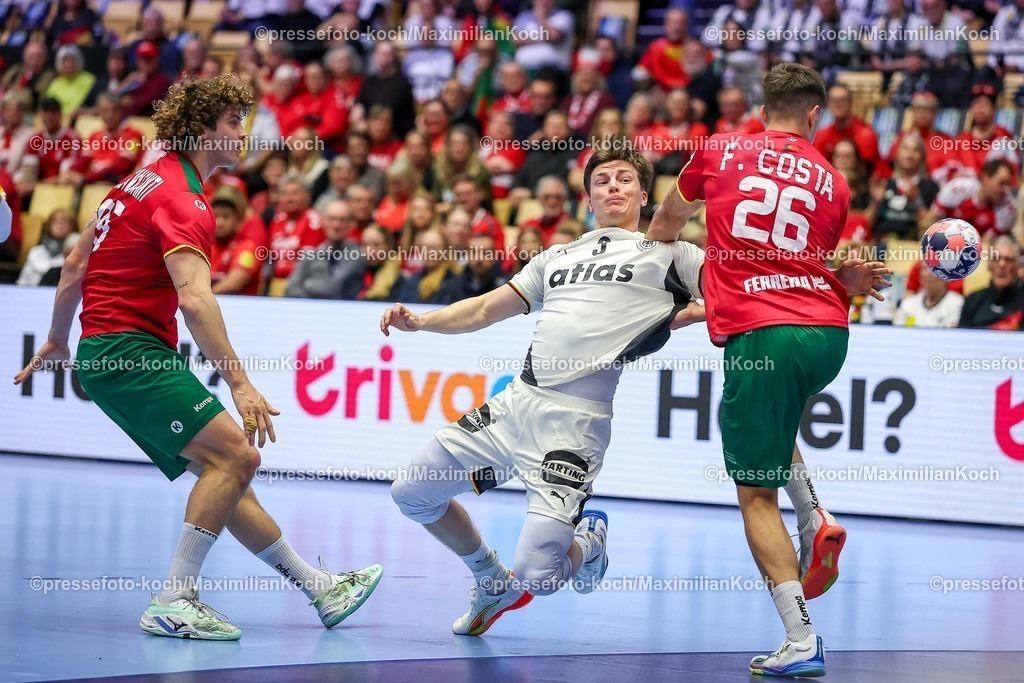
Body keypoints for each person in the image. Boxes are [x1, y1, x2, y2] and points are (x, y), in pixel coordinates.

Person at [14, 75, 382, 641]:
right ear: (198, 129)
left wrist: (62, 337)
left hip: (108, 350)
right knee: (238, 457)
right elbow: (194, 297)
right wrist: (240, 385)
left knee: (226, 474)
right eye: (234, 122)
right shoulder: (183, 200)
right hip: (128, 351)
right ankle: (175, 600)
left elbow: (73, 263)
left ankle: (319, 589)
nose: (244, 133)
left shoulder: (131, 185)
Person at [384, 142, 705, 636]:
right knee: (411, 494)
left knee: (541, 575)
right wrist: (421, 321)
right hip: (516, 406)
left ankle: (589, 543)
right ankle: (491, 578)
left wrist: (830, 282)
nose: (613, 186)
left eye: (624, 179)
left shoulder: (672, 254)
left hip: (574, 425)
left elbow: (740, 290)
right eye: (602, 181)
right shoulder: (557, 256)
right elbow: (485, 309)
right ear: (589, 199)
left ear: (645, 195)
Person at [647, 63, 891, 678]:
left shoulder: (719, 149)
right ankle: (814, 514)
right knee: (775, 426)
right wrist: (846, 282)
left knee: (755, 494)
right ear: (815, 116)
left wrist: (652, 270)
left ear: (763, 108)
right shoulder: (834, 181)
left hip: (764, 336)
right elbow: (802, 262)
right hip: (828, 333)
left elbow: (666, 225)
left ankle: (800, 637)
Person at [958, 236, 1024, 330]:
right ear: (989, 265)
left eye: (1008, 260)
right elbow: (961, 339)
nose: (1002, 265)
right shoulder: (973, 300)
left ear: (1018, 266)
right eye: (996, 259)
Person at [893, 262, 964, 328]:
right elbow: (897, 333)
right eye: (924, 268)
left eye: (935, 268)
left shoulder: (958, 303)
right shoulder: (908, 303)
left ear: (948, 276)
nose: (928, 273)